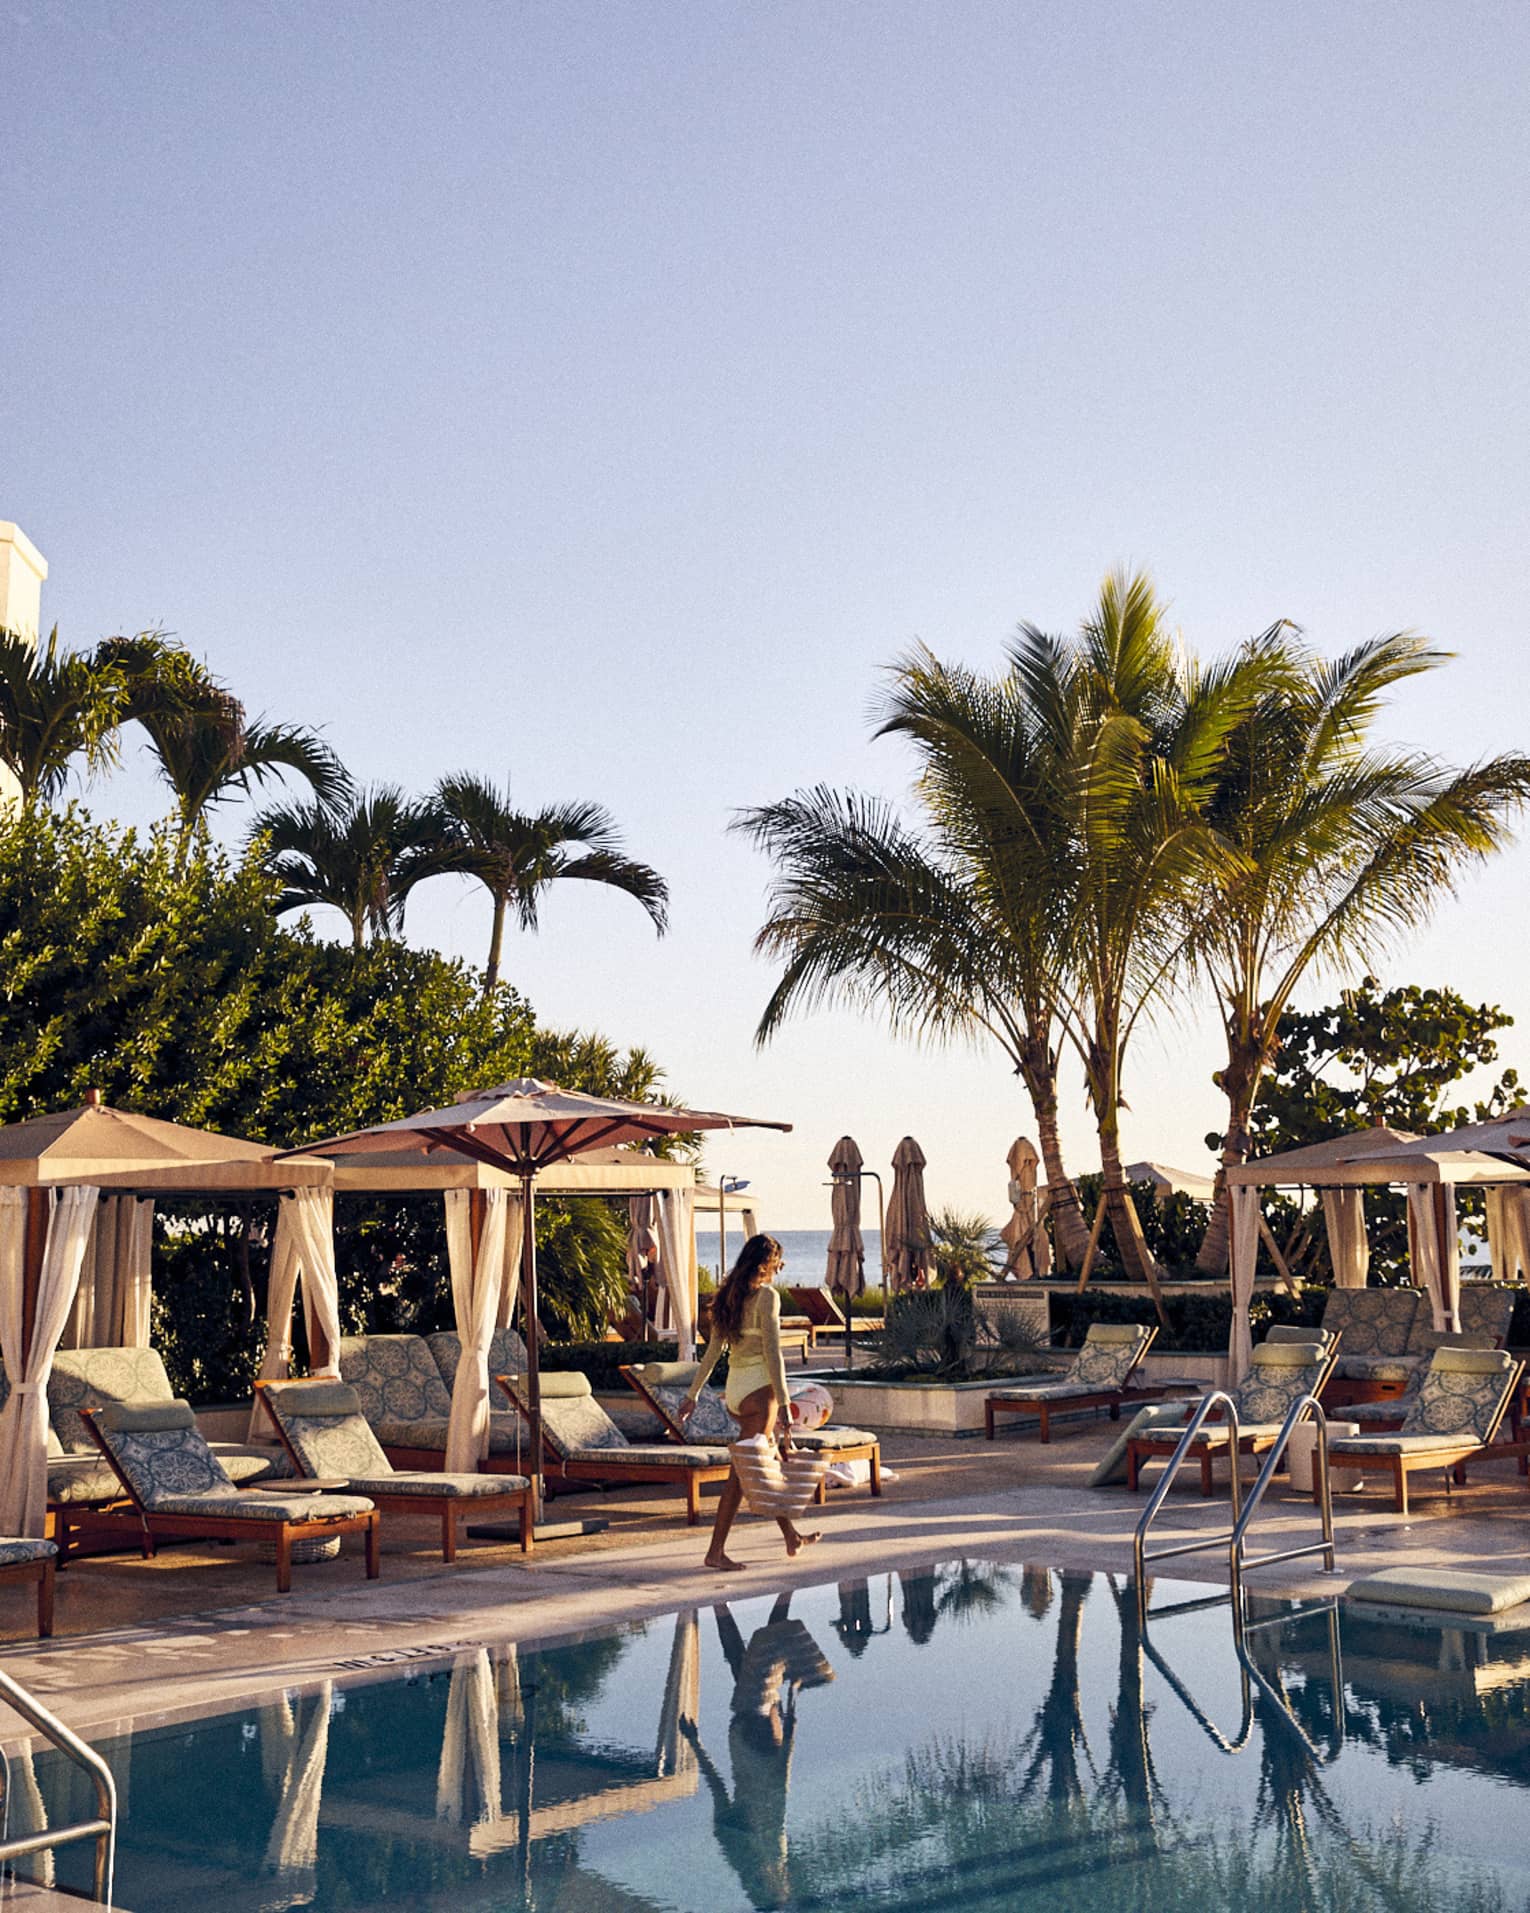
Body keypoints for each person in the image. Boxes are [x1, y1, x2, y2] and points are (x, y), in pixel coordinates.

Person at [679, 1234, 820, 1572]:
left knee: (764, 1465)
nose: (779, 1269)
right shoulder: (767, 1297)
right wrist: (785, 1402)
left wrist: (692, 1395)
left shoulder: (728, 1296)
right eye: (777, 1263)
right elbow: (774, 1353)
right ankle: (715, 1552)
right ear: (765, 1265)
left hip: (737, 1391)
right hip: (760, 1393)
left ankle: (791, 1536)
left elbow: (713, 1353)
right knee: (742, 1474)